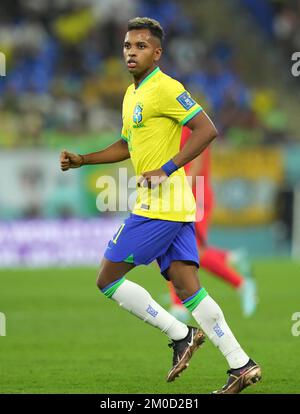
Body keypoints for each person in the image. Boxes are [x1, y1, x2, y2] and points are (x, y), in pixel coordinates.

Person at [60, 17, 261, 394]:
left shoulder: (167, 88)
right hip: (171, 206)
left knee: (107, 279)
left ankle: (180, 334)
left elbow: (207, 129)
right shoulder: (131, 94)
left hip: (160, 206)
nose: (131, 52)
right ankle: (241, 364)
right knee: (189, 289)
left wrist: (167, 168)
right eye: (127, 46)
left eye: (140, 46)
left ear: (157, 52)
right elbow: (126, 145)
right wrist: (84, 159)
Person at [168, 127, 257, 321]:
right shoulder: (173, 127)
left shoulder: (191, 127)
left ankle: (241, 284)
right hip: (182, 196)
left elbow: (197, 165)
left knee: (195, 251)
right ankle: (179, 305)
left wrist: (180, 190)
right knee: (171, 247)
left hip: (195, 196)